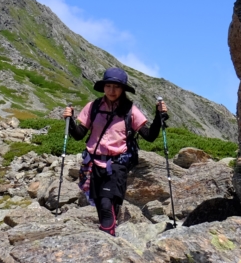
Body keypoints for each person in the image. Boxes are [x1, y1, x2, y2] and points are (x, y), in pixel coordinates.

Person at [63, 67, 168, 236]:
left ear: (123, 89)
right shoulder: (93, 107)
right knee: (102, 204)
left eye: (116, 87)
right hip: (94, 162)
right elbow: (78, 135)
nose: (112, 91)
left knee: (106, 203)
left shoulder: (130, 110)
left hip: (118, 163)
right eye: (108, 86)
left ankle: (107, 240)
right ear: (103, 87)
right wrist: (70, 120)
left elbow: (149, 135)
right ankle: (110, 236)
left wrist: (158, 116)